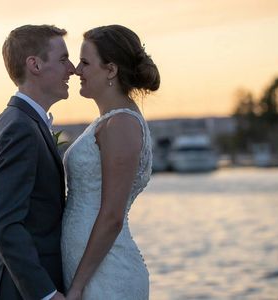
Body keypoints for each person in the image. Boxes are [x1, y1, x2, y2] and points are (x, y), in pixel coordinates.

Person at [61, 25, 160, 299]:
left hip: (107, 275)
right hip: (89, 271)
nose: (77, 70)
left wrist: (78, 285)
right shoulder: (109, 120)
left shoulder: (122, 124)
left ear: (111, 70)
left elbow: (112, 216)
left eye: (85, 62)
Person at [0, 24, 75, 300]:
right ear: (35, 65)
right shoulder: (21, 129)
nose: (73, 69)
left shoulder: (5, 123)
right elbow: (2, 223)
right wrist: (45, 293)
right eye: (64, 59)